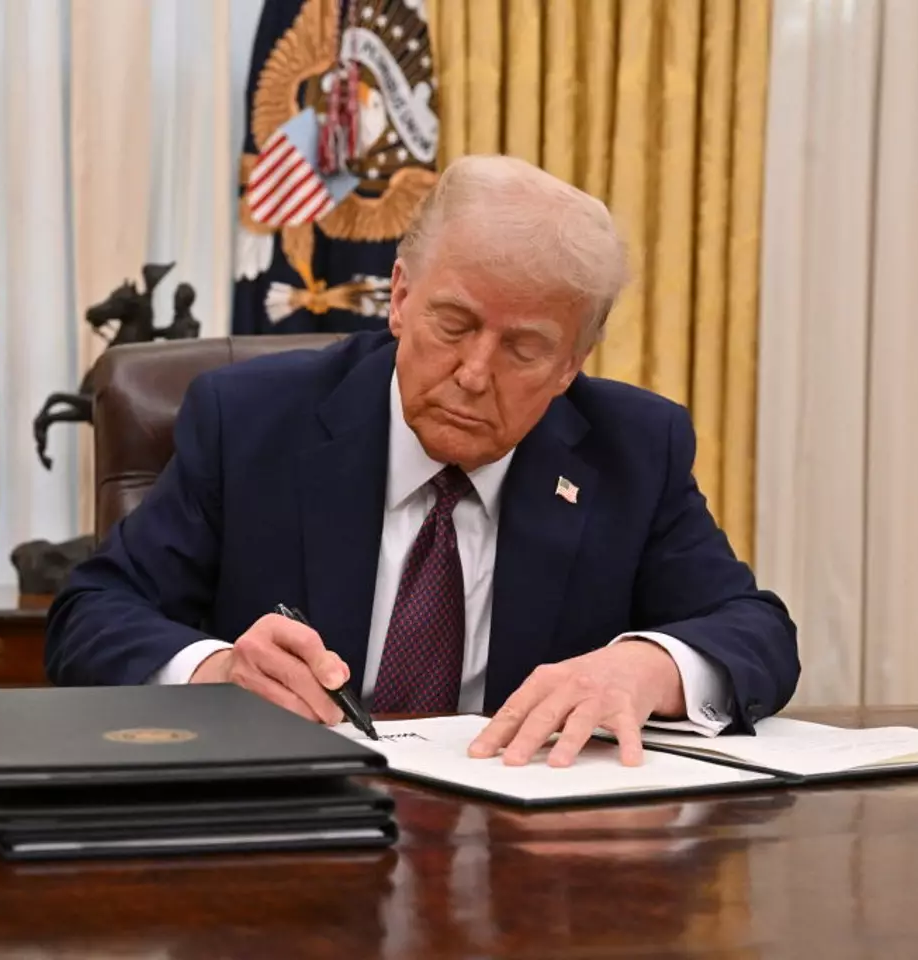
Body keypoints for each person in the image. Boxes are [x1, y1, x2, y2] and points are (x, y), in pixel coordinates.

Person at [45, 155, 799, 766]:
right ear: (400, 298)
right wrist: (218, 672)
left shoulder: (633, 448)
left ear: (572, 363)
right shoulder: (249, 421)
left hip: (530, 866)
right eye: (454, 324)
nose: (474, 372)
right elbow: (92, 617)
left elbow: (756, 632)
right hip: (293, 850)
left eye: (523, 348)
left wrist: (648, 667)